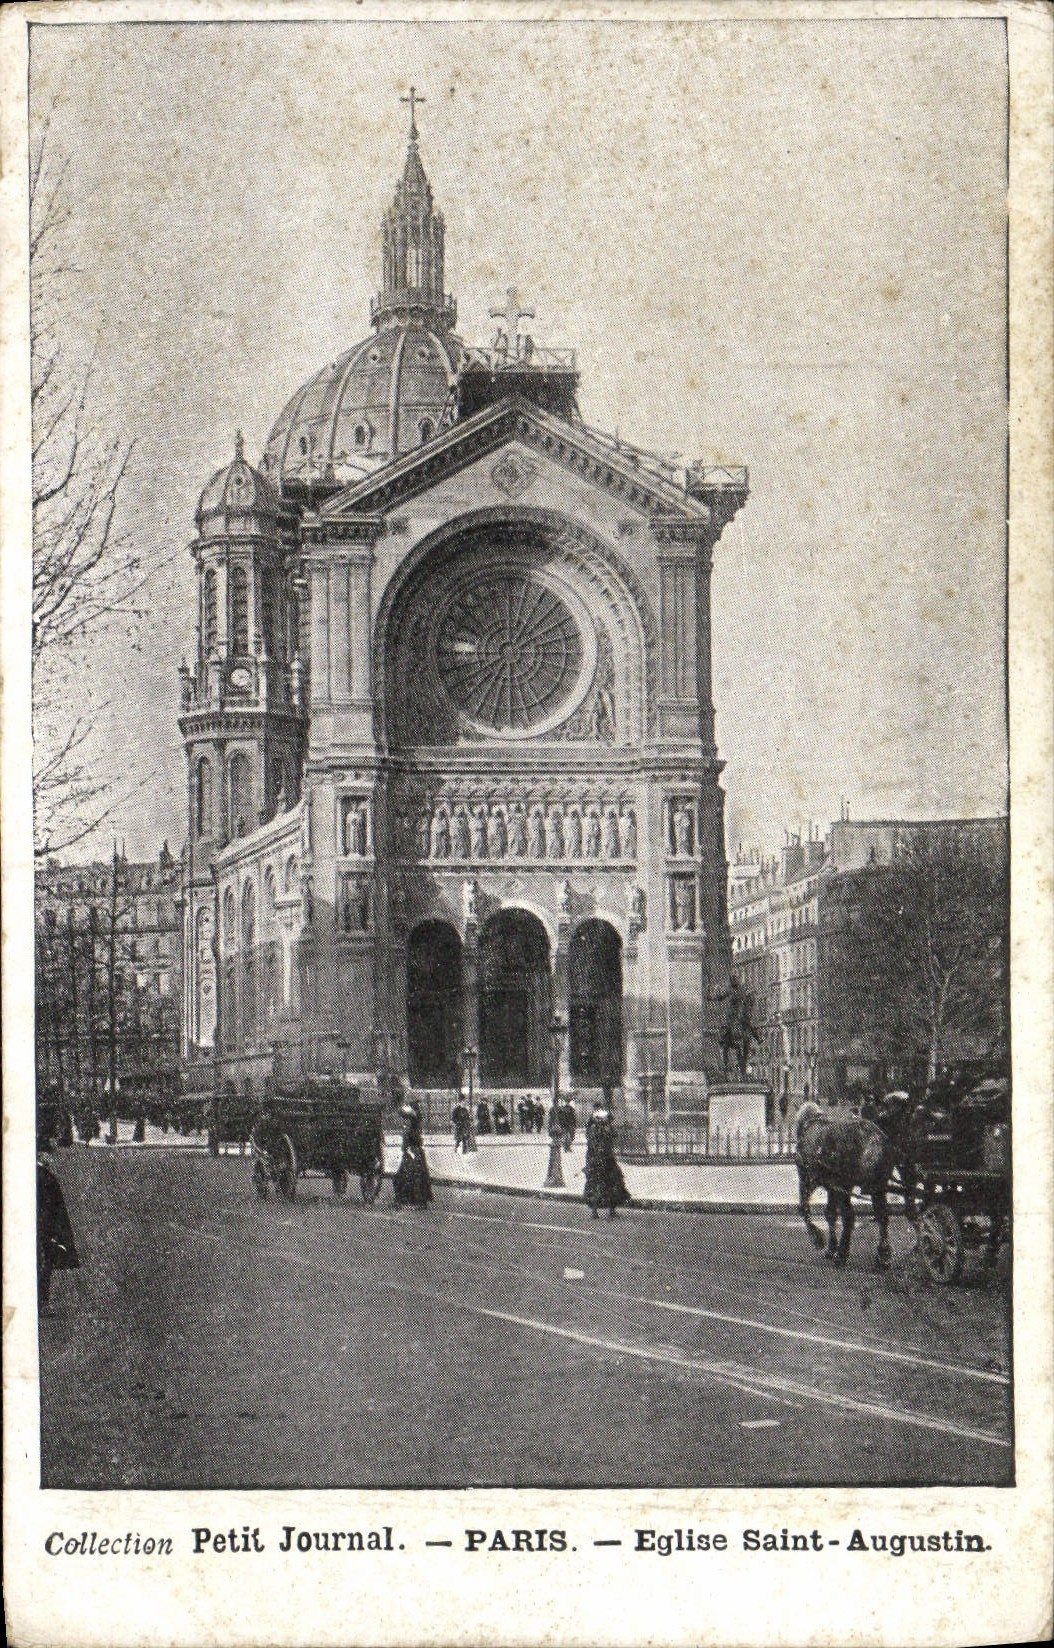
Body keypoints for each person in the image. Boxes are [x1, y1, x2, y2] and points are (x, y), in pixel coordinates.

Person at [37, 1144, 80, 1313]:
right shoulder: (48, 1179)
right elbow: (56, 1210)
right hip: (44, 1230)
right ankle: (41, 1303)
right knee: (44, 1264)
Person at [583, 1103, 631, 1220]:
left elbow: (611, 1136)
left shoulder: (594, 1127)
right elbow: (612, 1137)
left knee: (601, 1183)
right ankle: (604, 1210)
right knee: (607, 1183)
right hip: (603, 1158)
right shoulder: (601, 1128)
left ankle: (601, 1210)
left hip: (599, 1158)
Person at [392, 1100, 433, 1208]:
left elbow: (403, 1112)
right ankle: (414, 1201)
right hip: (413, 1149)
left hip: (412, 1150)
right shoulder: (415, 1118)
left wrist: (402, 1107)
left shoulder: (415, 1118)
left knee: (408, 1176)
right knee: (415, 1176)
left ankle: (407, 1200)